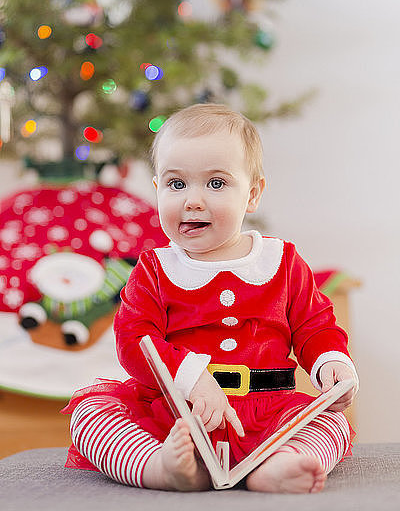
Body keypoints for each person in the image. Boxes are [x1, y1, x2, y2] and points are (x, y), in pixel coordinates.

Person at [62, 103, 359, 493]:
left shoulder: (281, 261)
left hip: (268, 413)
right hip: (177, 415)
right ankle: (159, 466)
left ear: (252, 195)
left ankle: (277, 465)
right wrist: (190, 377)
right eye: (176, 184)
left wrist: (329, 362)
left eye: (216, 184)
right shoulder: (155, 268)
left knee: (331, 422)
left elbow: (315, 324)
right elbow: (135, 339)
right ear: (157, 189)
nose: (193, 201)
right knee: (91, 413)